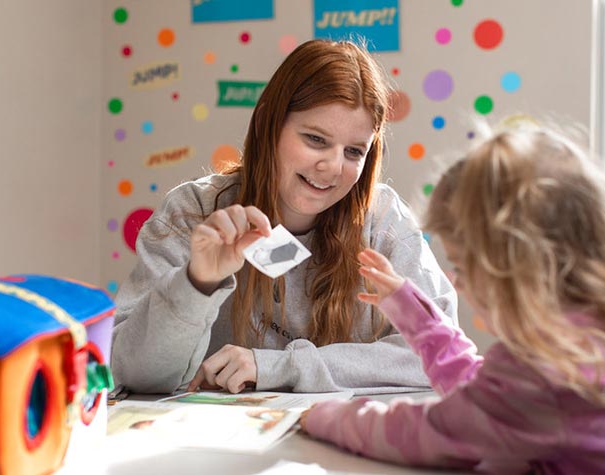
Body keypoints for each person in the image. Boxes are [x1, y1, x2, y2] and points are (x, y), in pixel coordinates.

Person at [300, 122, 605, 473]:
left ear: (515, 267)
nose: (458, 283)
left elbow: (429, 432)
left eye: (467, 269)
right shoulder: (600, 337)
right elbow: (480, 399)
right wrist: (412, 312)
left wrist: (322, 415)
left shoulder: (551, 371)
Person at [110, 39, 457, 395]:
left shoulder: (384, 223)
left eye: (354, 151)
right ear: (267, 125)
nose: (333, 166)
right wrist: (197, 282)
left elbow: (441, 352)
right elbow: (134, 372)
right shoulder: (192, 213)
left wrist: (284, 366)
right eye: (315, 139)